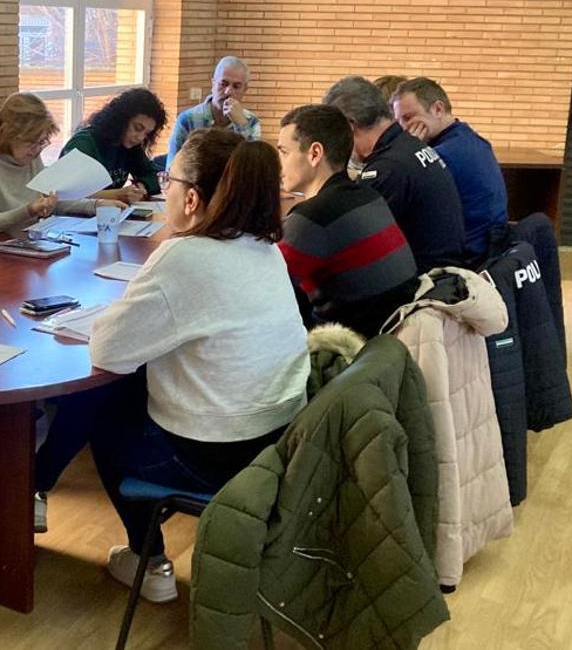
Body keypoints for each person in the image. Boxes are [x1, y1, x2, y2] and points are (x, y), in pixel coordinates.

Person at [79, 130, 309, 603]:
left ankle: (150, 560)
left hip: (213, 458)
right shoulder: (263, 247)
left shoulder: (186, 256)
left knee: (99, 410)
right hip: (277, 443)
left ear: (191, 198)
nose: (164, 187)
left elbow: (106, 351)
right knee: (131, 390)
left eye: (170, 179)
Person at [276, 104, 419, 338]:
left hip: (347, 354)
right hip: (390, 345)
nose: (279, 163)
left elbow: (262, 287)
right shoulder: (367, 195)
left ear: (314, 154)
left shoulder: (313, 217)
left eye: (284, 152)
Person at [323, 75, 466, 271]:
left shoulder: (388, 167)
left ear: (350, 126)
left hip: (423, 285)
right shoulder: (408, 146)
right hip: (442, 271)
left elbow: (350, 237)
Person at [0, 93, 126, 239]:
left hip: (16, 244)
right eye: (31, 142)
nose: (36, 150)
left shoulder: (31, 158)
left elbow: (52, 201)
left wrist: (96, 205)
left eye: (41, 142)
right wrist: (28, 210)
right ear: (8, 135)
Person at [391, 77, 509, 257]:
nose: (404, 128)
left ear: (438, 109)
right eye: (399, 121)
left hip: (466, 257)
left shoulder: (441, 156)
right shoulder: (472, 139)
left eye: (408, 117)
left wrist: (409, 149)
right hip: (490, 248)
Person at [59, 87, 166, 203]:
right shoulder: (84, 143)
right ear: (121, 119)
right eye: (137, 128)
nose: (140, 138)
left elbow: (154, 175)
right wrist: (116, 195)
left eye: (146, 133)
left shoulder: (129, 146)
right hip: (75, 218)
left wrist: (140, 187)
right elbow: (65, 194)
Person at [166, 56, 261, 169]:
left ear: (244, 90)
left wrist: (241, 125)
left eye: (236, 86)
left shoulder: (251, 121)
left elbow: (255, 166)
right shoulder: (187, 119)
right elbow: (170, 168)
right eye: (223, 84)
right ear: (213, 83)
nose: (228, 91)